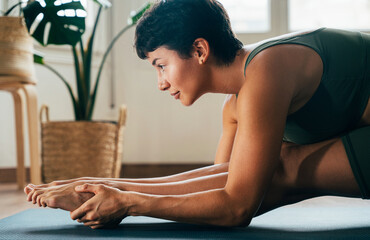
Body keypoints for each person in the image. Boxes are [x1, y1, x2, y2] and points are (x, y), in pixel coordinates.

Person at [25, 0, 370, 229]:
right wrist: (103, 185)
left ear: (199, 50)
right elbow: (227, 180)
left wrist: (129, 203)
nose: (161, 83)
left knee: (281, 169)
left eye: (161, 65)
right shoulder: (235, 106)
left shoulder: (266, 72)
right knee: (260, 173)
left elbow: (237, 207)